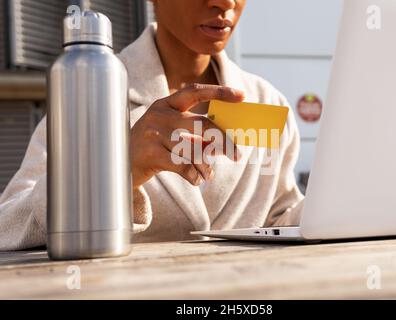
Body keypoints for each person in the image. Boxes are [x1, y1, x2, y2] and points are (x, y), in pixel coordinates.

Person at [0, 0, 304, 250]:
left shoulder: (268, 102)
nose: (225, 3)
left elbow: (279, 221)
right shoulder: (89, 88)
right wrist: (117, 171)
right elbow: (8, 226)